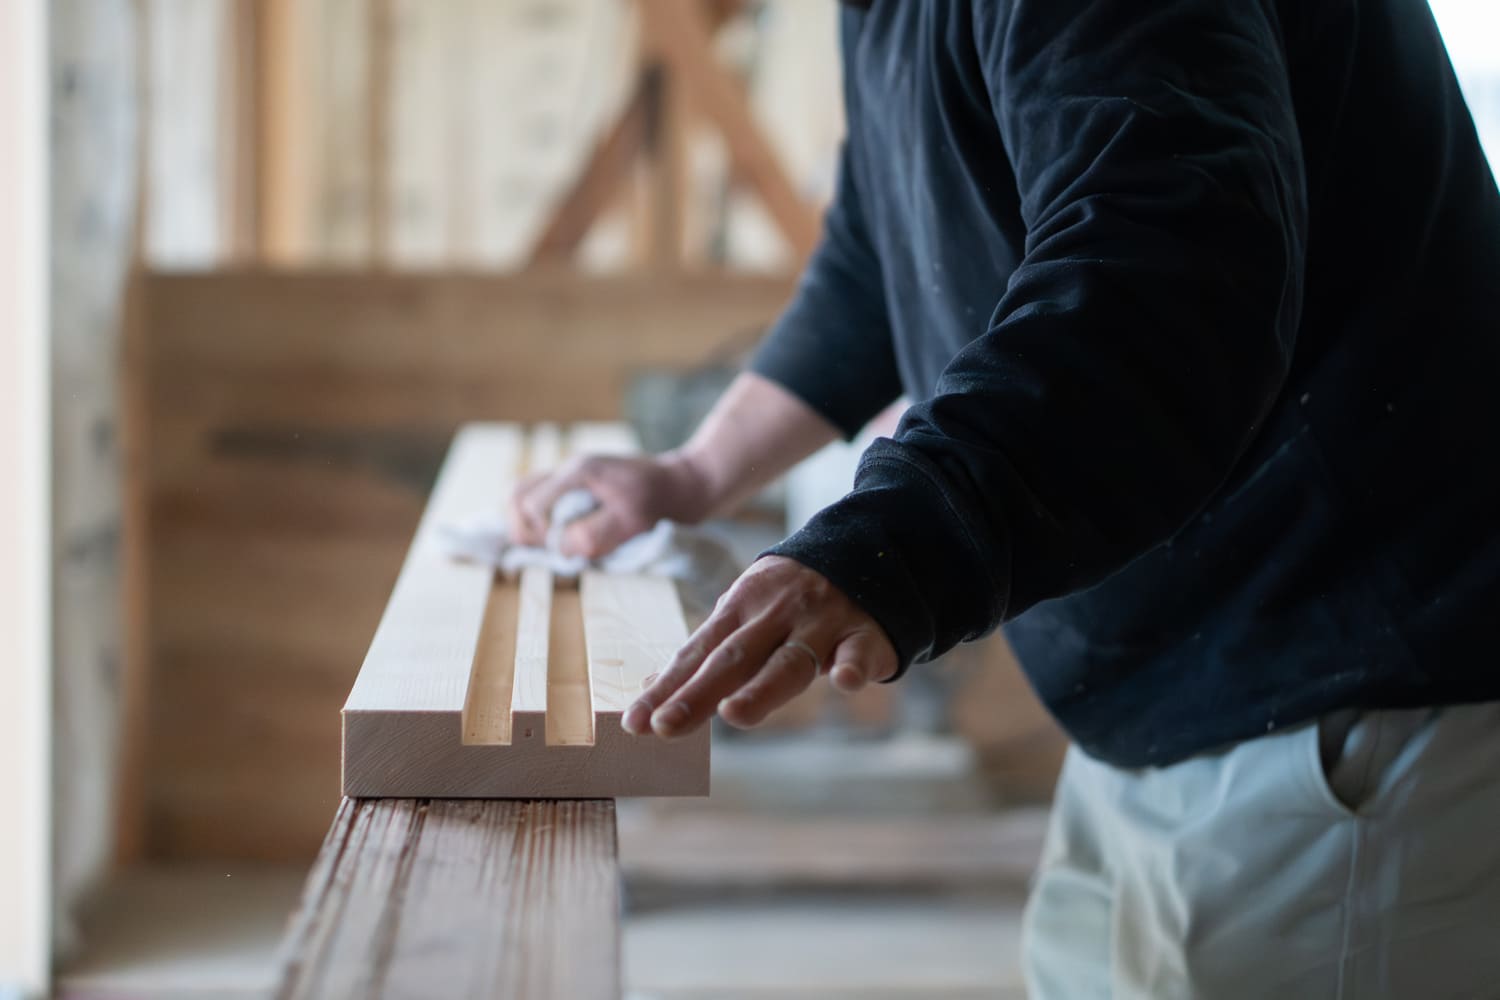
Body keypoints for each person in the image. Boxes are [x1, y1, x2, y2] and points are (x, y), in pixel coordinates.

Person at [511, 0, 1500, 995]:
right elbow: (880, 247)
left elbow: (1166, 267)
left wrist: (899, 543)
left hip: (1348, 699)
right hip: (1168, 698)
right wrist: (693, 473)